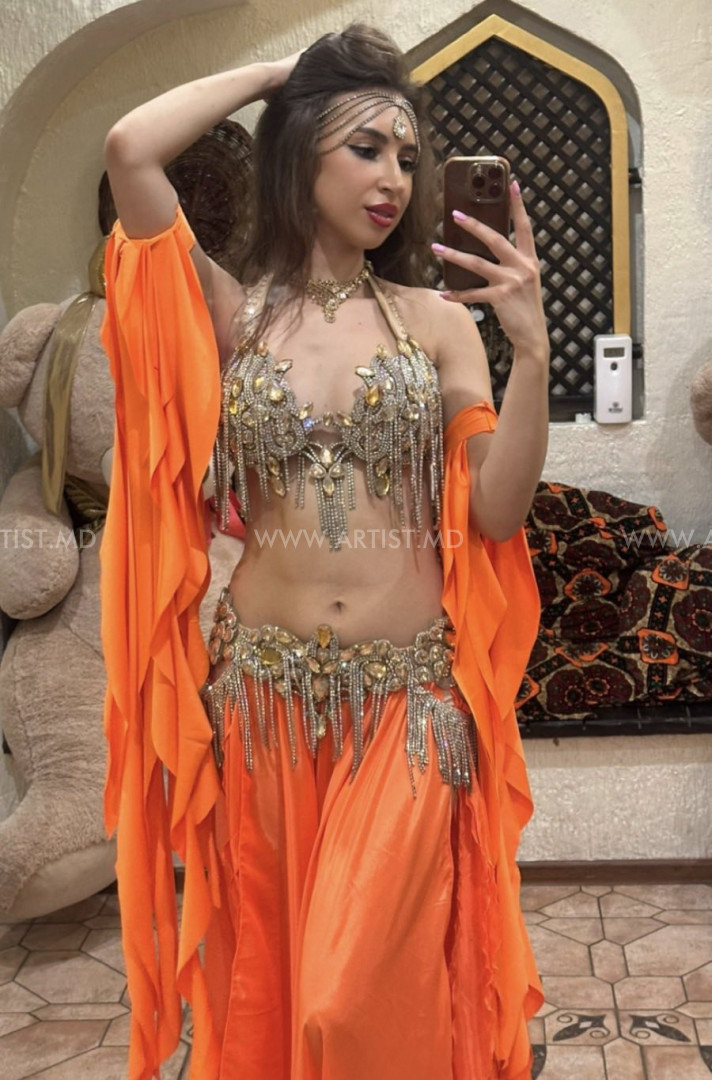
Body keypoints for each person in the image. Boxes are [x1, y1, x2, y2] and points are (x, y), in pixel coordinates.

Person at [100, 23, 549, 1080]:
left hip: (407, 708)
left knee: (346, 1004)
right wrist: (281, 76)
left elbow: (494, 514)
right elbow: (129, 148)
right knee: (277, 987)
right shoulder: (232, 314)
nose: (394, 177)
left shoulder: (437, 323)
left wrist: (528, 350)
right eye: (365, 146)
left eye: (408, 155)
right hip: (261, 708)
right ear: (300, 147)